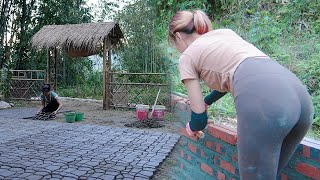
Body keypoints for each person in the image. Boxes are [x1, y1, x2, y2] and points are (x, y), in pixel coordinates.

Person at [168, 10, 314, 179]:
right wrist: (208, 101)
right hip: (300, 98)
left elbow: (199, 118)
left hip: (265, 101)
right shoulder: (224, 33)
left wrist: (191, 128)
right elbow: (238, 72)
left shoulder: (187, 56)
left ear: (178, 36)